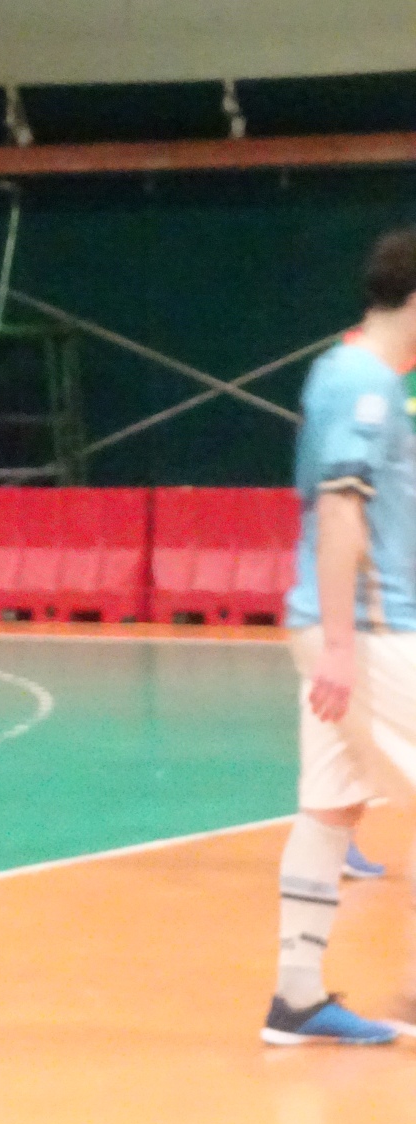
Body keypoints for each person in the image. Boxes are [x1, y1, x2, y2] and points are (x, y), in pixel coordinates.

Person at [263, 229, 416, 1046]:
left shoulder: (342, 368)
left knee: (330, 809)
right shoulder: (365, 384)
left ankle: (295, 1000)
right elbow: (339, 512)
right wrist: (337, 648)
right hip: (370, 629)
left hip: (338, 624)